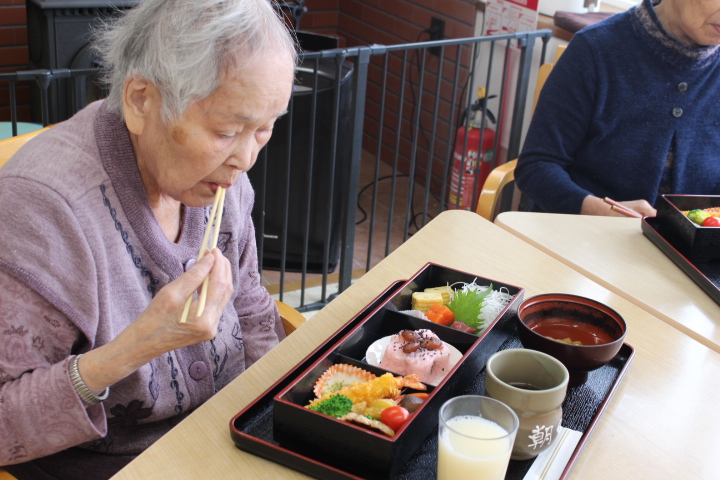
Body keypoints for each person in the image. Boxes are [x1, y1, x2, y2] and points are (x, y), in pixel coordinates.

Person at [0, 1, 296, 478]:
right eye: (225, 131)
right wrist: (135, 348)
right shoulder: (44, 209)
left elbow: (250, 307)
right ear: (141, 101)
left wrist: (281, 419)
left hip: (227, 438)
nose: (245, 159)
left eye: (263, 129)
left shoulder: (221, 180)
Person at [515, 0, 720, 216]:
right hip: (579, 230)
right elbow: (536, 166)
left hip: (693, 237)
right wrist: (599, 210)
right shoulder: (595, 48)